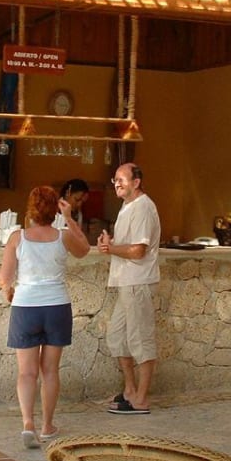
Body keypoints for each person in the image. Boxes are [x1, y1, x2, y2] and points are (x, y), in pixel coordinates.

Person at [0, 185, 91, 448]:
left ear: (30, 209)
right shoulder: (63, 236)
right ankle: (48, 425)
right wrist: (70, 219)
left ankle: (28, 423)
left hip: (25, 306)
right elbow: (84, 249)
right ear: (55, 210)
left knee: (27, 372)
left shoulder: (18, 237)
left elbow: (4, 277)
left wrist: (9, 290)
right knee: (50, 370)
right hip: (57, 307)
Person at [97, 163, 160, 415]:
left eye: (122, 179)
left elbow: (139, 250)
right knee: (117, 336)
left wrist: (110, 249)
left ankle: (141, 399)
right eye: (115, 180)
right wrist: (110, 243)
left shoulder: (144, 207)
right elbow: (128, 245)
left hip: (138, 281)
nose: (117, 183)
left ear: (136, 182)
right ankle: (130, 390)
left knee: (140, 339)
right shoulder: (127, 206)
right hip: (125, 281)